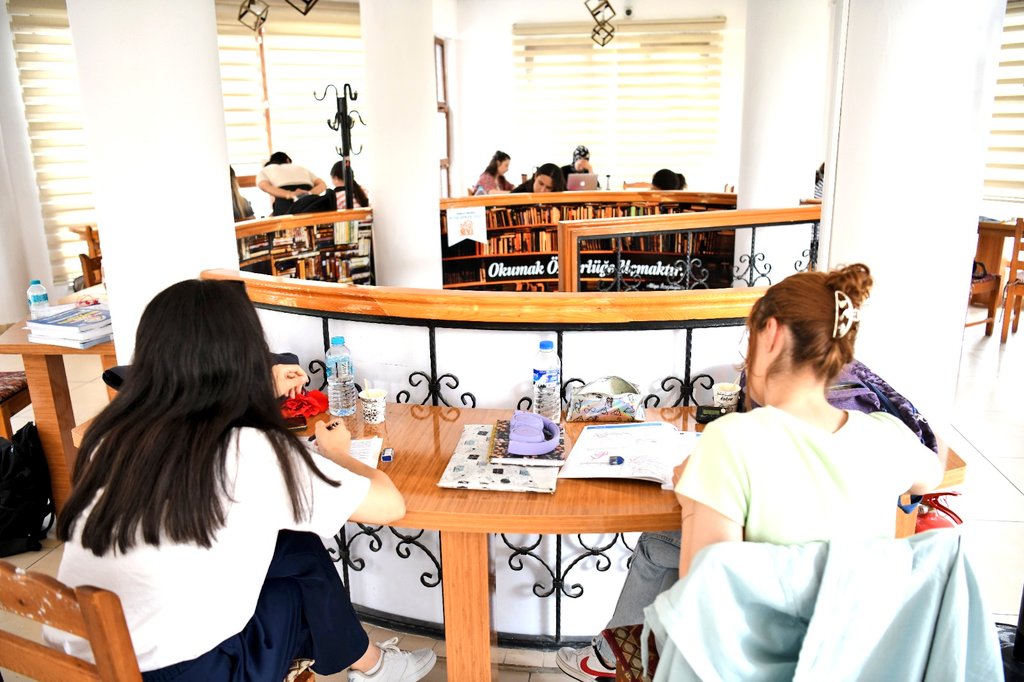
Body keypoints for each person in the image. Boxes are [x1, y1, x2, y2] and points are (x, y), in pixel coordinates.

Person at [557, 264, 943, 681]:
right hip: (852, 662)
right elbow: (932, 475)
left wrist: (692, 497)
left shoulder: (729, 442)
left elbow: (701, 606)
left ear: (771, 334)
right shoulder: (887, 437)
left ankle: (606, 658)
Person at [45, 279, 437, 682]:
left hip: (85, 662)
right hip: (186, 672)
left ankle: (369, 664)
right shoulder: (247, 451)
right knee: (297, 593)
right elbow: (390, 506)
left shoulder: (113, 434)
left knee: (296, 549)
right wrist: (337, 453)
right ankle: (369, 665)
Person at [256, 151, 331, 216]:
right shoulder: (302, 168)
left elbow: (263, 186)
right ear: (287, 160)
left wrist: (290, 194)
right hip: (310, 202)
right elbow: (322, 184)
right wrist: (309, 193)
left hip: (285, 203)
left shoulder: (266, 169)